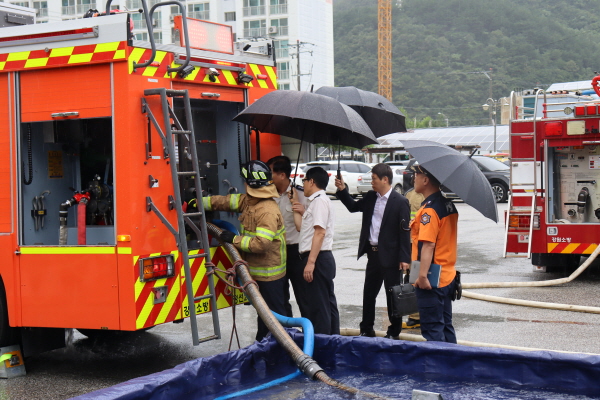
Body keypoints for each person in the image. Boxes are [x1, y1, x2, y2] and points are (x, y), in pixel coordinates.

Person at [202, 160, 287, 341]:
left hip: (269, 277)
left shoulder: (267, 210)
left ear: (249, 183)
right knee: (265, 316)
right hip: (257, 273)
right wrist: (200, 202)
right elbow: (227, 202)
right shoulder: (250, 201)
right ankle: (267, 346)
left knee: (272, 318)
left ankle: (274, 349)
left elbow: (261, 244)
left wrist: (234, 239)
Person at [335, 163, 411, 340]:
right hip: (373, 254)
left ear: (385, 179)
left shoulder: (400, 202)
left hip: (392, 257)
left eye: (374, 179)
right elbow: (353, 207)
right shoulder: (371, 197)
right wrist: (342, 189)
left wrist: (404, 258)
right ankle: (366, 328)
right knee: (369, 293)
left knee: (392, 295)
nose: (371, 182)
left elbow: (404, 232)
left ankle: (394, 332)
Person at [410, 164, 458, 343]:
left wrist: (422, 276)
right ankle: (453, 359)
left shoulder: (429, 211)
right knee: (446, 326)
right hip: (447, 274)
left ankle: (439, 361)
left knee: (433, 329)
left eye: (416, 175)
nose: (413, 178)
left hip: (431, 278)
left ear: (425, 180)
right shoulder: (447, 204)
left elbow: (428, 245)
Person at [291, 166, 340, 335]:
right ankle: (333, 341)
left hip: (318, 258)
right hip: (320, 257)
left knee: (320, 308)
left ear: (311, 181)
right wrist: (295, 203)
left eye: (304, 180)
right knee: (326, 305)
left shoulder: (319, 201)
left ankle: (323, 344)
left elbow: (320, 233)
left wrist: (311, 262)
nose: (303, 184)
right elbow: (301, 228)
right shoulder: (316, 202)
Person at [266, 155, 307, 318]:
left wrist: (298, 206)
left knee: (304, 296)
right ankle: (286, 331)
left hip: (296, 251)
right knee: (279, 297)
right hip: (275, 252)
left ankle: (308, 330)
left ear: (282, 175)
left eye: (271, 172)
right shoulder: (268, 195)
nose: (268, 176)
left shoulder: (302, 194)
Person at [403, 187, 425, 329]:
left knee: (417, 279)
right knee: (413, 279)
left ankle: (418, 317)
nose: (414, 178)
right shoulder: (410, 194)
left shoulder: (413, 194)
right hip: (413, 243)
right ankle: (416, 316)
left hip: (420, 243)